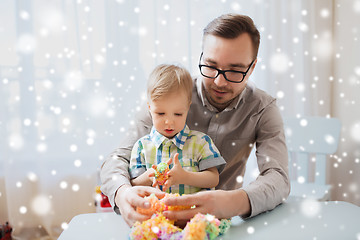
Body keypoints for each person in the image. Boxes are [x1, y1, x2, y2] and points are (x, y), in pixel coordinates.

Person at [100, 13, 290, 226]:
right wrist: (122, 192)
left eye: (235, 71)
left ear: (252, 67)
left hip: (219, 226)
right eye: (211, 65)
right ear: (201, 56)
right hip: (157, 223)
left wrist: (234, 201)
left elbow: (278, 178)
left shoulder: (263, 108)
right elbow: (117, 159)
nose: (219, 81)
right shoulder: (170, 94)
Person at [129, 64, 225, 194]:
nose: (169, 122)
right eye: (160, 113)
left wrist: (185, 177)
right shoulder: (141, 147)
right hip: (157, 213)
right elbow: (133, 184)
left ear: (187, 108)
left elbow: (213, 179)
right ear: (150, 108)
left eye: (178, 114)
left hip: (194, 212)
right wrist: (149, 176)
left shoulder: (201, 142)